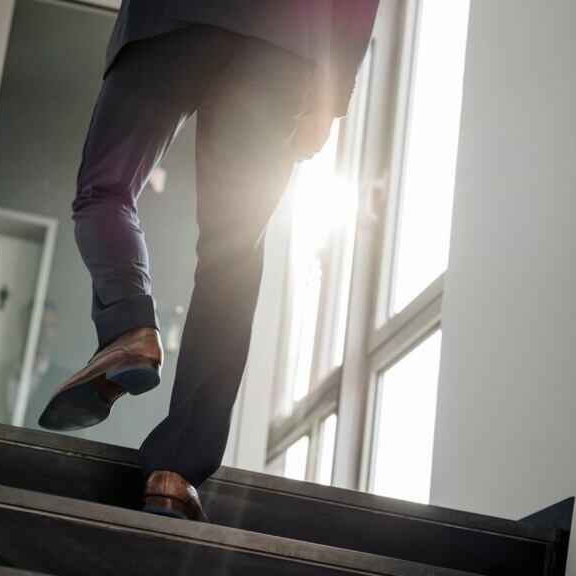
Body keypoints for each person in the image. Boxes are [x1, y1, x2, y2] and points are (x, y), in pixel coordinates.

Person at [39, 0, 378, 522]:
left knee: (106, 190)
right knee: (233, 253)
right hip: (285, 43)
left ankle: (130, 325)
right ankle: (175, 471)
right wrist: (333, 93)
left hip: (169, 19)